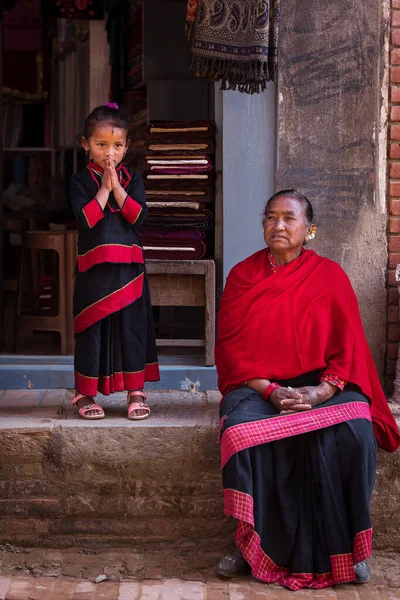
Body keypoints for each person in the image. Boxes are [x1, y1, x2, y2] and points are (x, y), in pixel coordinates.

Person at [214, 190, 400, 591]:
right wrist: (271, 392)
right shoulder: (243, 276)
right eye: (271, 217)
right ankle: (250, 545)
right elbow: (231, 350)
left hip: (323, 385)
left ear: (309, 230)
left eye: (289, 218)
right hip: (260, 385)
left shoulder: (330, 276)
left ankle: (350, 551)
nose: (278, 225)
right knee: (240, 434)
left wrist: (319, 393)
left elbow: (347, 349)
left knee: (356, 433)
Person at [70, 102, 160, 420]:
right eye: (101, 145)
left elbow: (137, 217)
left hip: (130, 271)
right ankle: (84, 395)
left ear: (127, 146)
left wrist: (117, 187)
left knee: (132, 329)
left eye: (117, 145)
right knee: (92, 331)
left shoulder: (133, 179)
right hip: (94, 272)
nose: (110, 153)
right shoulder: (80, 182)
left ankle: (136, 392)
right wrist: (104, 189)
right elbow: (87, 219)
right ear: (86, 145)